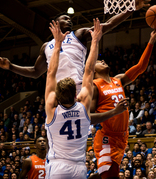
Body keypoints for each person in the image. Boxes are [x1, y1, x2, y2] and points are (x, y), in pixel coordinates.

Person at [0, 0, 150, 94]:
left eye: (69, 18)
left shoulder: (79, 34)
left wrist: (131, 9)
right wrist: (10, 67)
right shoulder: (46, 46)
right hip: (58, 90)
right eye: (64, 18)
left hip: (79, 86)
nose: (69, 19)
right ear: (55, 23)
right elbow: (36, 72)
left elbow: (108, 25)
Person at [43, 19, 127, 178]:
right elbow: (88, 71)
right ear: (76, 95)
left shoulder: (52, 111)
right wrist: (95, 41)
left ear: (56, 96)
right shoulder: (82, 108)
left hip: (58, 166)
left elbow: (51, 72)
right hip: (78, 168)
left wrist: (58, 45)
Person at [91, 24, 156, 179]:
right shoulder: (94, 86)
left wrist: (152, 40)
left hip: (122, 137)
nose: (103, 60)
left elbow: (140, 67)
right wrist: (115, 112)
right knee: (109, 176)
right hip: (107, 138)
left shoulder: (118, 80)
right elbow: (89, 117)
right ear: (93, 70)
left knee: (108, 175)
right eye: (99, 61)